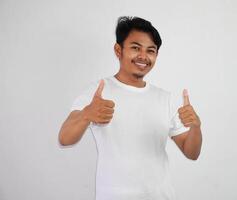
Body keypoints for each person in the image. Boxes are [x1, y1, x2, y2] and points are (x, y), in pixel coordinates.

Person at [58, 16, 202, 200]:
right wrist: (86, 114)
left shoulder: (164, 98)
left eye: (151, 50)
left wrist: (196, 127)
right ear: (118, 50)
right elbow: (64, 138)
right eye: (135, 48)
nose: (143, 56)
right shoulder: (98, 92)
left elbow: (191, 153)